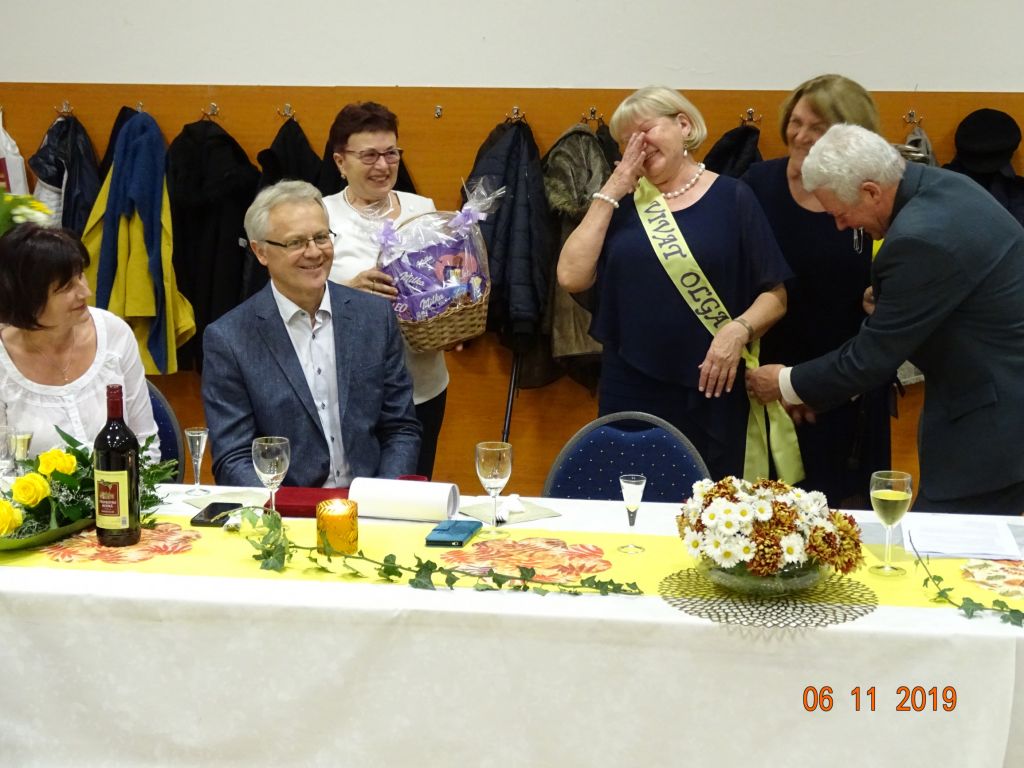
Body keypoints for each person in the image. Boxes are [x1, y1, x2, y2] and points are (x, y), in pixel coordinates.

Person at [747, 124, 1024, 515]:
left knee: (942, 548)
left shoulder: (919, 238)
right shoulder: (943, 187)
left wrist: (784, 382)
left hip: (995, 428)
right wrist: (895, 300)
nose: (841, 226)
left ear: (871, 191)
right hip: (995, 404)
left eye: (840, 214)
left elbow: (870, 360)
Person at [557, 86, 792, 481]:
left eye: (645, 130)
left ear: (683, 125)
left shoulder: (734, 197)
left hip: (712, 381)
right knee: (630, 495)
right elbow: (570, 275)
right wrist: (613, 188)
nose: (637, 146)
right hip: (629, 383)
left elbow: (776, 295)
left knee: (708, 502)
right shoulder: (621, 204)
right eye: (626, 141)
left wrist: (738, 330)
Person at [202, 180, 421, 488]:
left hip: (369, 500)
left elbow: (400, 428)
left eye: (321, 237)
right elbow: (233, 457)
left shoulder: (374, 317)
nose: (315, 252)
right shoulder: (230, 339)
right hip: (285, 507)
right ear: (261, 251)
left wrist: (381, 497)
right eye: (296, 243)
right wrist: (279, 511)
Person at [742, 74, 890, 506]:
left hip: (847, 389)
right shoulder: (755, 185)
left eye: (818, 128)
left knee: (843, 520)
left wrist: (818, 388)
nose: (802, 136)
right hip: (767, 391)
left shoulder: (872, 195)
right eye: (796, 122)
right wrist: (782, 386)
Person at [322, 102, 448, 480]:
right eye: (369, 155)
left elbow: (444, 279)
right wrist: (347, 291)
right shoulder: (320, 215)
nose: (383, 165)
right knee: (350, 491)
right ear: (341, 162)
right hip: (346, 390)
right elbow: (292, 295)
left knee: (410, 489)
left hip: (421, 384)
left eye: (391, 153)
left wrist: (449, 300)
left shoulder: (422, 209)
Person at [0, 224, 159, 460]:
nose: (85, 292)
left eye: (81, 275)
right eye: (67, 287)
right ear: (28, 298)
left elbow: (145, 442)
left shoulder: (114, 333)